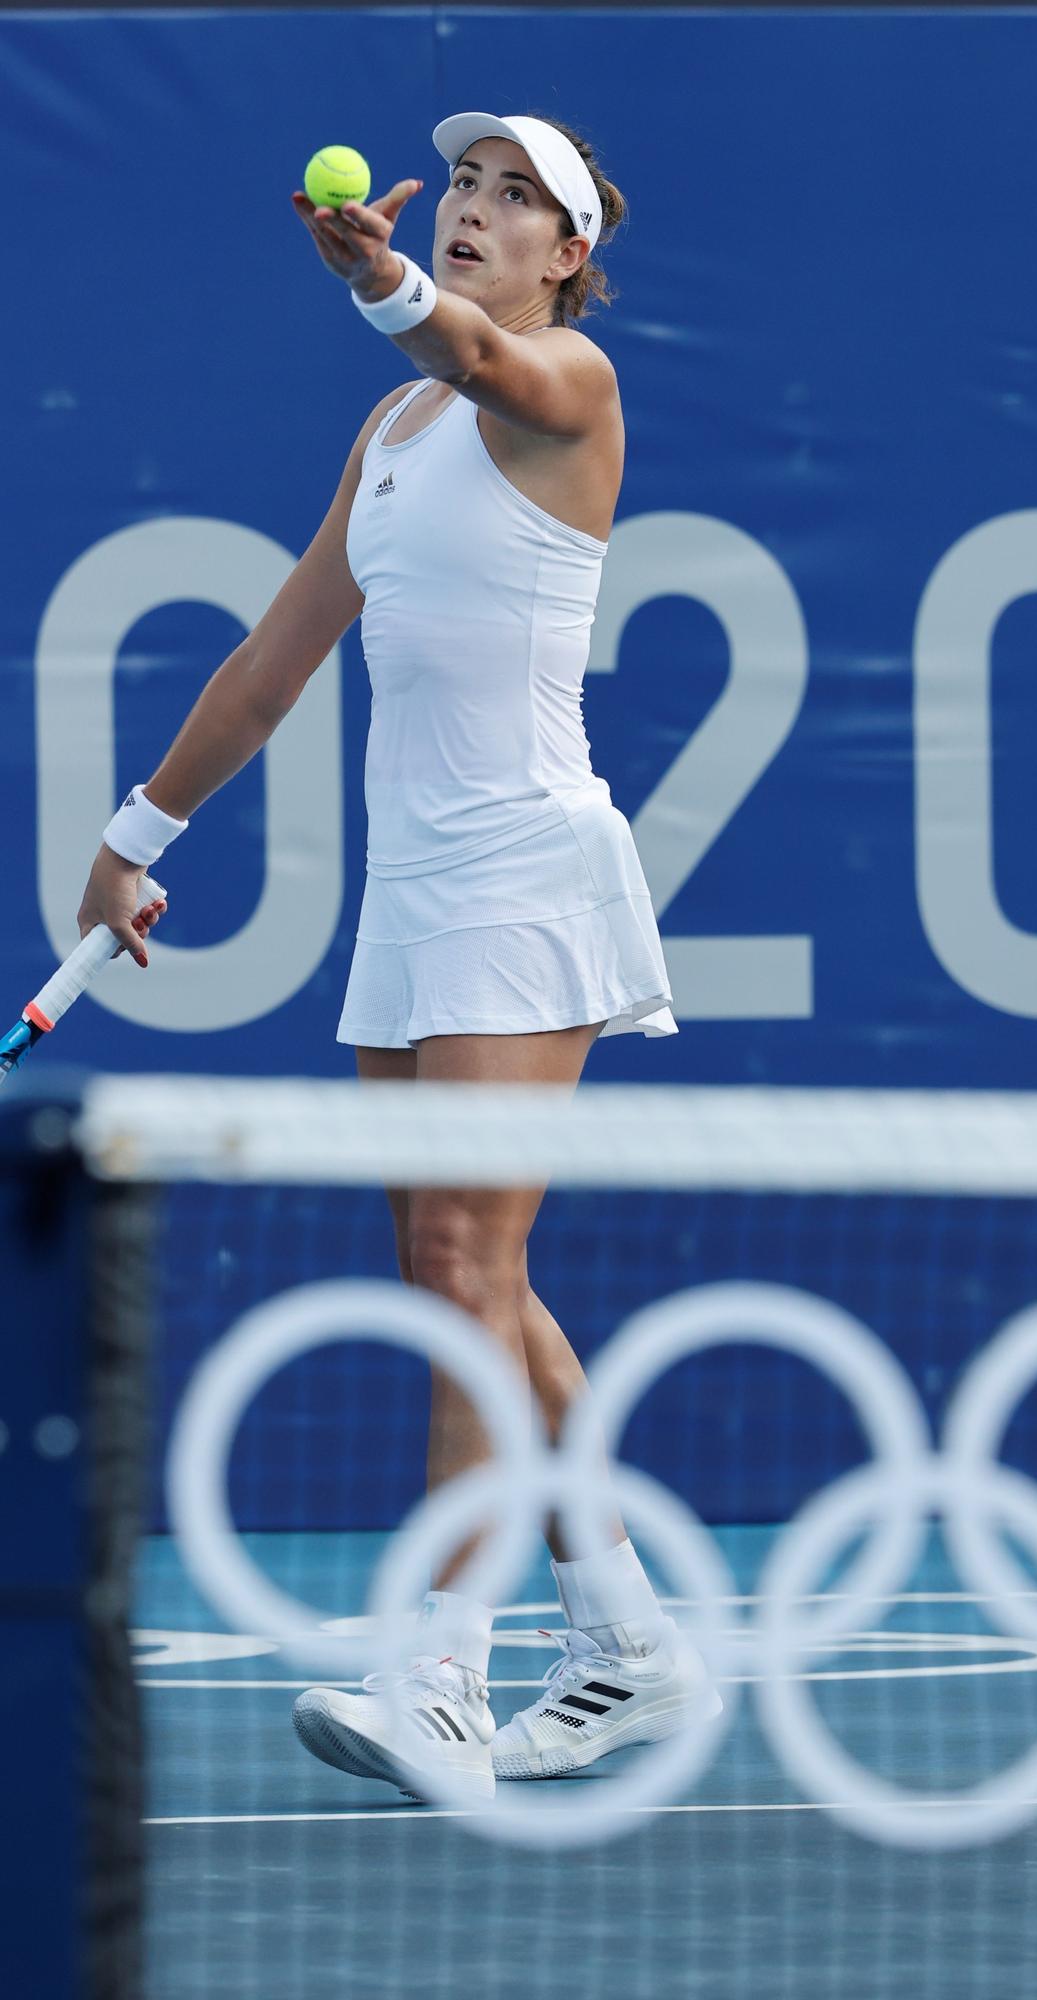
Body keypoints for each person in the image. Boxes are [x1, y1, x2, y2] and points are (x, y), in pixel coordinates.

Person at [77, 110, 719, 1803]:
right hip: (416, 893)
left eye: (521, 202)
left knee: (458, 1264)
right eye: (468, 189)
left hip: (527, 876)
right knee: (473, 1283)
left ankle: (437, 1667)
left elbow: (468, 346)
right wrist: (139, 833)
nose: (475, 213)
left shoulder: (567, 392)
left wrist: (369, 280)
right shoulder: (395, 422)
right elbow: (282, 654)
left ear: (568, 255)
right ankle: (627, 1648)